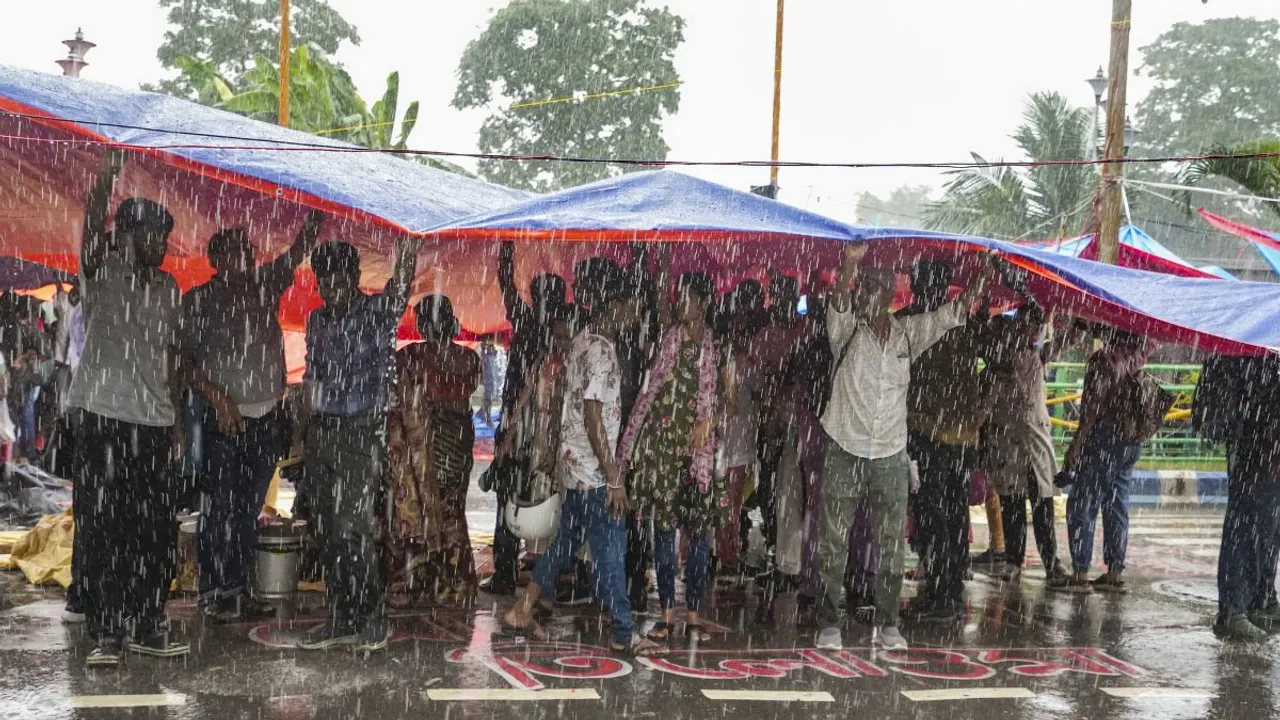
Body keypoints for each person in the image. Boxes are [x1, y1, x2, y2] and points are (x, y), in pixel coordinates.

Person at [814, 244, 994, 651]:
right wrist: (850, 264)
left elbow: (955, 313)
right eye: (863, 288)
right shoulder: (844, 331)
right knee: (833, 544)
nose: (865, 295)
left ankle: (889, 622)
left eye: (874, 288)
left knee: (892, 545)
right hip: (846, 448)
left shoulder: (907, 334)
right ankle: (829, 623)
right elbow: (839, 299)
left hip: (891, 454)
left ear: (888, 294)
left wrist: (982, 274)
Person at [503, 264, 666, 658]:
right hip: (594, 472)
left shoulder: (578, 343)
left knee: (564, 545)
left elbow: (569, 405)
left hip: (574, 467)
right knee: (612, 551)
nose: (636, 316)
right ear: (619, 304)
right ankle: (625, 632)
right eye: (633, 307)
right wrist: (613, 476)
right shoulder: (604, 351)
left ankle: (523, 609)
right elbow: (594, 415)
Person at [67, 149, 188, 665]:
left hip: (155, 424)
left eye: (164, 238)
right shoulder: (101, 272)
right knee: (103, 527)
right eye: (152, 237)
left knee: (153, 532)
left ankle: (145, 623)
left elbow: (174, 359)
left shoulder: (169, 288)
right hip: (101, 417)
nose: (161, 247)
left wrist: (179, 422)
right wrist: (108, 175)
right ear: (127, 236)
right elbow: (92, 227)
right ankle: (105, 632)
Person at [179, 212, 324, 622]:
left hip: (265, 417)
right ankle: (212, 591)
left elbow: (297, 252)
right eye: (236, 252)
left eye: (248, 251)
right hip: (224, 418)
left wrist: (312, 215)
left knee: (247, 508)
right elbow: (185, 363)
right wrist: (219, 399)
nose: (245, 258)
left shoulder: (265, 285)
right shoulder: (199, 300)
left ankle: (238, 590)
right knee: (219, 507)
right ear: (217, 259)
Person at [293, 233, 421, 652]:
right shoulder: (316, 321)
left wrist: (409, 245)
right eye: (324, 283)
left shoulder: (375, 312)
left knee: (355, 527)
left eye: (337, 281)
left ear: (353, 277)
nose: (330, 290)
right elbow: (311, 376)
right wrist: (302, 434)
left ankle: (372, 616)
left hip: (361, 430)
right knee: (328, 529)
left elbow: (400, 286)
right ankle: (341, 615)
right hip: (322, 431)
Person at [618, 270, 729, 642]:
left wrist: (709, 421)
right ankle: (667, 614)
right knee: (664, 532)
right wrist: (633, 444)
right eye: (679, 297)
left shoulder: (719, 346)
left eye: (687, 297)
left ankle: (693, 613)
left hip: (699, 454)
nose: (681, 304)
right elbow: (652, 390)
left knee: (699, 538)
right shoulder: (670, 338)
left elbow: (732, 402)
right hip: (663, 449)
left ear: (704, 302)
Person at [902, 260, 990, 623]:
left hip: (927, 432)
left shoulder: (910, 321)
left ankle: (940, 593)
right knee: (953, 511)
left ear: (916, 285)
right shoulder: (964, 325)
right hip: (964, 435)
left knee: (931, 511)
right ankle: (950, 586)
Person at [978, 286, 1080, 584]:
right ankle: (1014, 561)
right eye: (1028, 323)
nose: (1033, 329)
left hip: (1035, 445)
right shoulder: (999, 355)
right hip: (1006, 442)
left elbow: (1065, 338)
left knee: (1042, 506)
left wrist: (1076, 320)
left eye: (1036, 325)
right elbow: (985, 329)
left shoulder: (1039, 354)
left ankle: (1052, 564)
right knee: (1011, 503)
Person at [484, 241, 568, 596]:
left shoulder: (526, 320)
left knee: (510, 497)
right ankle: (548, 575)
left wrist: (506, 246)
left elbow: (505, 283)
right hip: (551, 428)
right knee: (552, 499)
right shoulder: (564, 329)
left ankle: (507, 570)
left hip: (520, 425)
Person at [385, 295, 481, 607]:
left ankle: (422, 581)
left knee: (425, 513)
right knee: (453, 512)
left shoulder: (412, 355)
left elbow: (398, 398)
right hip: (460, 439)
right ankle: (455, 583)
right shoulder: (470, 360)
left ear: (424, 325)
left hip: (427, 441)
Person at [1053, 330, 1163, 594]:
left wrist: (1075, 449)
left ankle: (1080, 574)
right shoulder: (1139, 352)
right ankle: (1114, 573)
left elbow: (1090, 410)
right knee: (1116, 505)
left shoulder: (1102, 360)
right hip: (1131, 439)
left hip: (1104, 439)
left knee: (1083, 504)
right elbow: (1153, 340)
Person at [1195, 354, 1280, 641]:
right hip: (1256, 447)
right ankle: (1234, 610)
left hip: (1268, 448)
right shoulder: (1249, 345)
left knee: (1269, 532)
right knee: (1247, 530)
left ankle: (1262, 600)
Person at [477, 337, 505, 428]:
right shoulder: (486, 357)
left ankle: (482, 413)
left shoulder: (495, 356)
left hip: (492, 382)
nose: (492, 349)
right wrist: (483, 347)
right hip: (488, 382)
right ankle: (486, 416)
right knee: (488, 399)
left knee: (489, 399)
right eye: (490, 348)